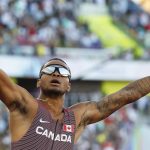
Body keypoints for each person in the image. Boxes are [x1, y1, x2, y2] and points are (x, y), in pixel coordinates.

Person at [0, 57, 150, 150]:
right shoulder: (26, 106)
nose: (56, 73)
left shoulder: (77, 117)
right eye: (50, 69)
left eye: (63, 72)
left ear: (68, 85)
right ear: (39, 81)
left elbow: (127, 95)